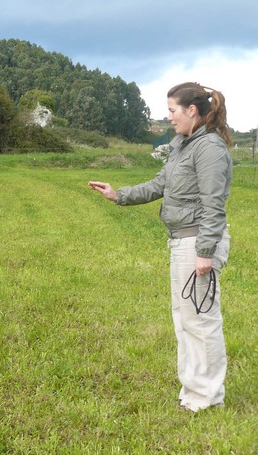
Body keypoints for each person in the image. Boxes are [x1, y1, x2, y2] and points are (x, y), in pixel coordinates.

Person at [89, 82, 232, 412]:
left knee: (201, 320)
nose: (168, 118)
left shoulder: (209, 148)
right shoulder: (182, 144)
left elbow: (214, 205)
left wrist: (205, 253)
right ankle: (193, 393)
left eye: (172, 111)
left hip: (198, 240)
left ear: (191, 110)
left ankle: (208, 398)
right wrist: (118, 194)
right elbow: (160, 184)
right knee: (185, 320)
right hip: (182, 240)